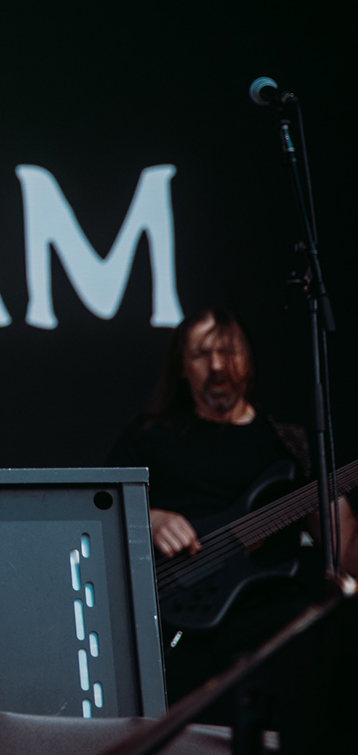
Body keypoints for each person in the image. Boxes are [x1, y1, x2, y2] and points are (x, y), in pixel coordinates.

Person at [109, 308, 355, 735]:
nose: (218, 366)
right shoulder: (148, 437)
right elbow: (98, 520)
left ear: (249, 360)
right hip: (177, 623)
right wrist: (147, 519)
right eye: (202, 354)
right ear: (182, 368)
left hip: (273, 626)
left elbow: (345, 549)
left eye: (228, 351)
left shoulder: (289, 444)